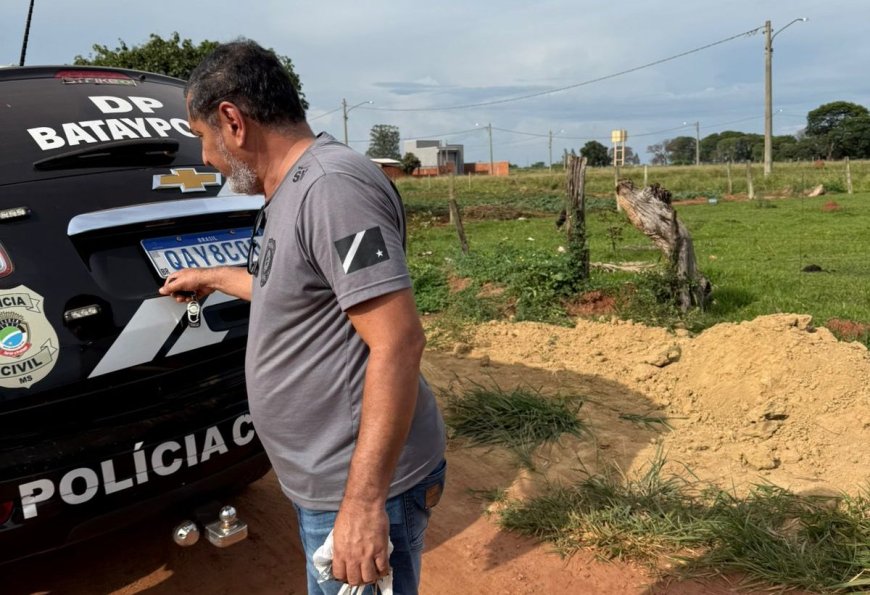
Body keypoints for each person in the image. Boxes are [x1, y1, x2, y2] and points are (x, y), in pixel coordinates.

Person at [159, 40, 446, 595]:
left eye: (201, 138)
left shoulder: (331, 190)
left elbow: (399, 343)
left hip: (359, 488)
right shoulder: (292, 189)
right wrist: (213, 277)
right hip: (330, 482)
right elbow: (297, 290)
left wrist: (362, 506)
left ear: (232, 121)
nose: (205, 159)